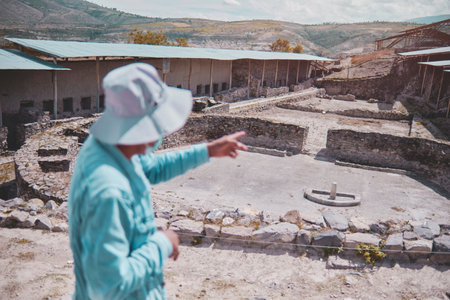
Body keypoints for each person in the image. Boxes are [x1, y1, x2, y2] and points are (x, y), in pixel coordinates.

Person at [68, 62, 247, 300]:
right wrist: (161, 243)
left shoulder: (111, 147)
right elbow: (107, 286)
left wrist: (208, 151)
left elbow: (150, 168)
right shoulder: (108, 192)